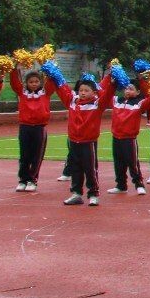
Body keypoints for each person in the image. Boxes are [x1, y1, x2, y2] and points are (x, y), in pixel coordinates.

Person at [57, 70, 114, 207]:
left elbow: (107, 95)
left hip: (88, 142)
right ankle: (76, 193)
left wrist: (112, 83)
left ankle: (93, 194)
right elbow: (61, 88)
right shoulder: (72, 102)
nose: (82, 93)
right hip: (74, 141)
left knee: (90, 168)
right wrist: (53, 74)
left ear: (94, 92)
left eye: (86, 90)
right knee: (75, 168)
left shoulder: (97, 104)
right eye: (81, 90)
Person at [9, 66, 54, 192]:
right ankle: (22, 180)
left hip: (39, 128)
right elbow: (14, 82)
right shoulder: (22, 93)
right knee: (24, 155)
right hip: (25, 127)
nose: (34, 84)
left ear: (40, 82)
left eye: (36, 81)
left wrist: (47, 66)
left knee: (36, 156)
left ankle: (32, 180)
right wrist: (14, 68)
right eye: (31, 82)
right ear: (26, 83)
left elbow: (52, 82)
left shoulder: (45, 92)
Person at [107, 79, 150, 195]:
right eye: (126, 88)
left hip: (129, 139)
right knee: (118, 163)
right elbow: (104, 94)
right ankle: (121, 185)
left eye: (131, 89)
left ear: (138, 92)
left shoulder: (139, 103)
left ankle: (139, 184)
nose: (128, 91)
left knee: (132, 162)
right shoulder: (117, 101)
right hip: (116, 137)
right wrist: (113, 82)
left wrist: (144, 80)